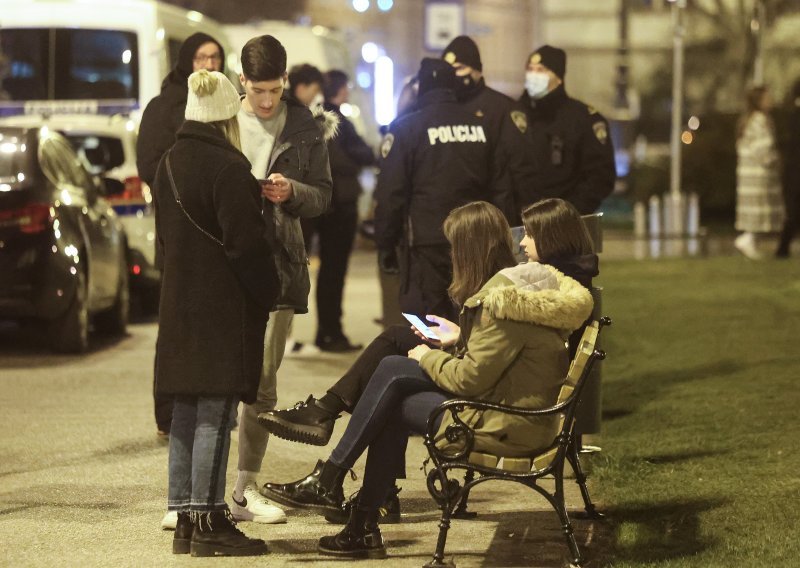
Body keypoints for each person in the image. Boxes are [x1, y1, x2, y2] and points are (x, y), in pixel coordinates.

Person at [259, 201, 594, 559]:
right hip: (521, 412)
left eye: (528, 235)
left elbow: (469, 381)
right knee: (392, 378)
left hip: (508, 423)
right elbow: (503, 359)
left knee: (392, 379)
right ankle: (348, 507)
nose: (521, 243)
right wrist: (459, 339)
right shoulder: (535, 289)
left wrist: (427, 356)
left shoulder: (505, 300)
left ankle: (344, 500)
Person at [153, 70, 279, 557]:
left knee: (186, 408)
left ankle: (185, 516)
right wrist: (267, 291)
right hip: (220, 307)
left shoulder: (167, 163)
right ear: (228, 117)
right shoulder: (228, 169)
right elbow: (246, 246)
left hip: (178, 303)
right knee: (214, 412)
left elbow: (166, 241)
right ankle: (209, 519)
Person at [231, 34, 335, 525]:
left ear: (285, 82)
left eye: (275, 90)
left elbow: (324, 196)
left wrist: (292, 191)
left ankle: (244, 488)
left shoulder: (305, 126)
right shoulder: (223, 120)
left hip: (279, 265)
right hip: (227, 262)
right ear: (241, 82)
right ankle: (197, 494)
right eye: (258, 92)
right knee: (217, 381)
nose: (267, 101)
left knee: (262, 386)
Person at [374, 57, 512, 323]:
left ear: (422, 88)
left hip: (427, 242)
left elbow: (391, 193)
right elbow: (501, 188)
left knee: (430, 320)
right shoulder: (481, 127)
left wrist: (385, 244)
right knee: (473, 314)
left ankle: (436, 365)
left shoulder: (406, 129)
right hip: (476, 238)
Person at [137, 32, 225, 441]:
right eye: (200, 58)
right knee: (174, 320)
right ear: (187, 62)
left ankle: (211, 404)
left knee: (214, 318)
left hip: (217, 228)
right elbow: (148, 164)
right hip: (176, 227)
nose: (207, 65)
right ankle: (168, 412)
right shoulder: (165, 105)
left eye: (215, 58)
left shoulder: (227, 104)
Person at [302, 70, 376, 352]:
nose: (348, 92)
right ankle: (331, 332)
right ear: (339, 89)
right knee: (334, 271)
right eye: (346, 87)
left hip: (327, 203)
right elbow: (357, 155)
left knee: (330, 272)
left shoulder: (316, 117)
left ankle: (329, 330)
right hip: (338, 204)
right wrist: (364, 157)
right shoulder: (334, 119)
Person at [441, 35, 538, 224]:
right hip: (450, 218)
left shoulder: (504, 109)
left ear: (477, 70)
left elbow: (522, 169)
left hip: (492, 216)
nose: (454, 75)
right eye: (449, 69)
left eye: (460, 68)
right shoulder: (442, 109)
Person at [518, 45, 617, 215]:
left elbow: (600, 176)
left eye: (541, 70)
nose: (533, 76)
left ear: (558, 77)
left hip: (567, 222)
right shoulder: (514, 115)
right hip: (519, 219)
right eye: (530, 69)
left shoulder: (584, 119)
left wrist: (568, 212)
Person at [735, 86, 785, 260]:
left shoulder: (749, 120)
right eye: (767, 98)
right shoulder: (759, 121)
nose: (770, 101)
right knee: (759, 209)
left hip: (750, 174)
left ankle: (751, 244)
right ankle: (748, 239)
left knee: (756, 210)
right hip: (758, 175)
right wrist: (775, 160)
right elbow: (763, 148)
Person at [776, 79, 800, 258]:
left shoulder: (792, 115)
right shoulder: (795, 116)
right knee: (793, 211)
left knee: (793, 211)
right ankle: (782, 249)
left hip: (793, 170)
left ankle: (783, 249)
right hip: (795, 170)